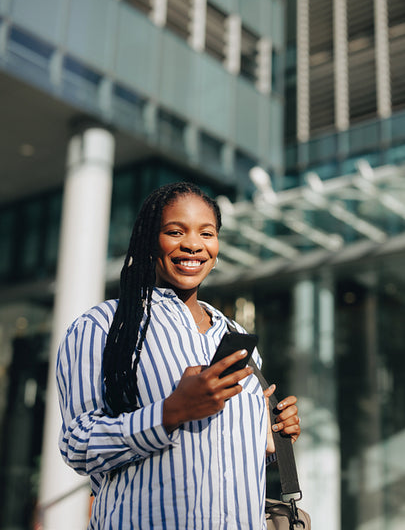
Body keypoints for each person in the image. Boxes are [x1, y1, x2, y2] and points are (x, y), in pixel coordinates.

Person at [57, 181, 300, 529]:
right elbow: (77, 445)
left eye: (207, 233)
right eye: (175, 231)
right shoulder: (103, 326)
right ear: (148, 240)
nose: (193, 244)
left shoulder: (234, 335)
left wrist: (272, 436)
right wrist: (170, 412)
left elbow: (227, 454)